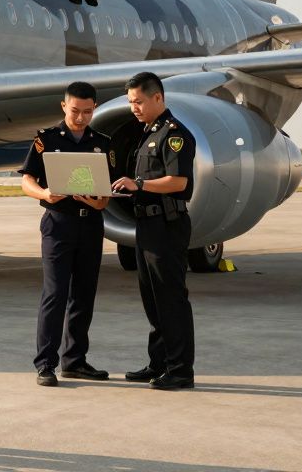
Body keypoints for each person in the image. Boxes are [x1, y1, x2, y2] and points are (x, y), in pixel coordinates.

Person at [18, 81, 111, 387]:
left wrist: (98, 200)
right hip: (59, 222)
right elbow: (26, 180)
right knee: (55, 294)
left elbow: (105, 195)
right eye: (75, 111)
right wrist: (44, 193)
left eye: (87, 112)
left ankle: (75, 361)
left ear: (94, 108)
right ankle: (46, 363)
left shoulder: (102, 142)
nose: (81, 117)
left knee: (84, 294)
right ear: (63, 106)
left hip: (90, 224)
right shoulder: (46, 139)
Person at [111, 72, 197, 391]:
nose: (133, 107)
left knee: (171, 298)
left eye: (138, 101)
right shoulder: (147, 133)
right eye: (131, 102)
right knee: (151, 298)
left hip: (167, 225)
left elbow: (178, 182)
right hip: (147, 225)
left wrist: (140, 184)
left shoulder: (174, 135)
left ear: (157, 98)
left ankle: (180, 370)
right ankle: (158, 363)